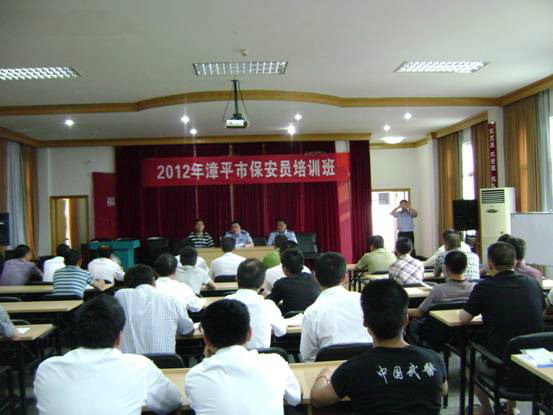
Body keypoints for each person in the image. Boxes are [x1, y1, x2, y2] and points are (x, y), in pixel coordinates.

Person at [310, 280, 447, 414]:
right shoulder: (433, 360)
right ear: (406, 319)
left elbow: (317, 399)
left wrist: (324, 374)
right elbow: (444, 389)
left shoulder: (354, 369)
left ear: (365, 322)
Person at [34, 295, 183, 415]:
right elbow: (173, 402)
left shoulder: (46, 369)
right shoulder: (139, 366)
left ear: (78, 333)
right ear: (119, 337)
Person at [459, 242, 545, 415]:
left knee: (468, 359)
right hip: (535, 364)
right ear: (515, 261)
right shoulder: (532, 283)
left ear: (490, 263)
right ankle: (511, 408)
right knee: (514, 341)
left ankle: (487, 409)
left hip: (501, 366)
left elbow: (463, 319)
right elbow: (541, 311)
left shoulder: (485, 286)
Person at [185, 299, 301, 415]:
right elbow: (295, 399)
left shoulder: (195, 376)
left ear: (206, 340)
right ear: (249, 333)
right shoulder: (275, 363)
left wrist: (207, 361)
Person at [300, 252, 372, 362]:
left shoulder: (312, 312)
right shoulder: (364, 300)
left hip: (329, 369)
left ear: (315, 277)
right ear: (344, 277)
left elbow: (308, 356)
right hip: (366, 364)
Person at [115, 264, 194, 354]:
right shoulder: (172, 299)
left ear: (127, 283)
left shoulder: (120, 296)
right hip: (164, 361)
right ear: (153, 280)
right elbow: (188, 330)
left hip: (129, 361)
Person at [226, 259, 287, 348]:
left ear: (236, 279)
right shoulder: (268, 306)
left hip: (231, 356)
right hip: (261, 355)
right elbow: (281, 331)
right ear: (262, 283)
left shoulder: (225, 303)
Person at [409, 251, 475, 319]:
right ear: (466, 267)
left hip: (439, 325)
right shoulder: (474, 288)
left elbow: (418, 313)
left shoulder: (438, 289)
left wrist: (403, 310)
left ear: (446, 268)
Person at [268, 249, 320, 314]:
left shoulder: (281, 284)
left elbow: (269, 303)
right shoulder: (314, 278)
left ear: (284, 268)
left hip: (290, 319)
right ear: (302, 265)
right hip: (313, 316)